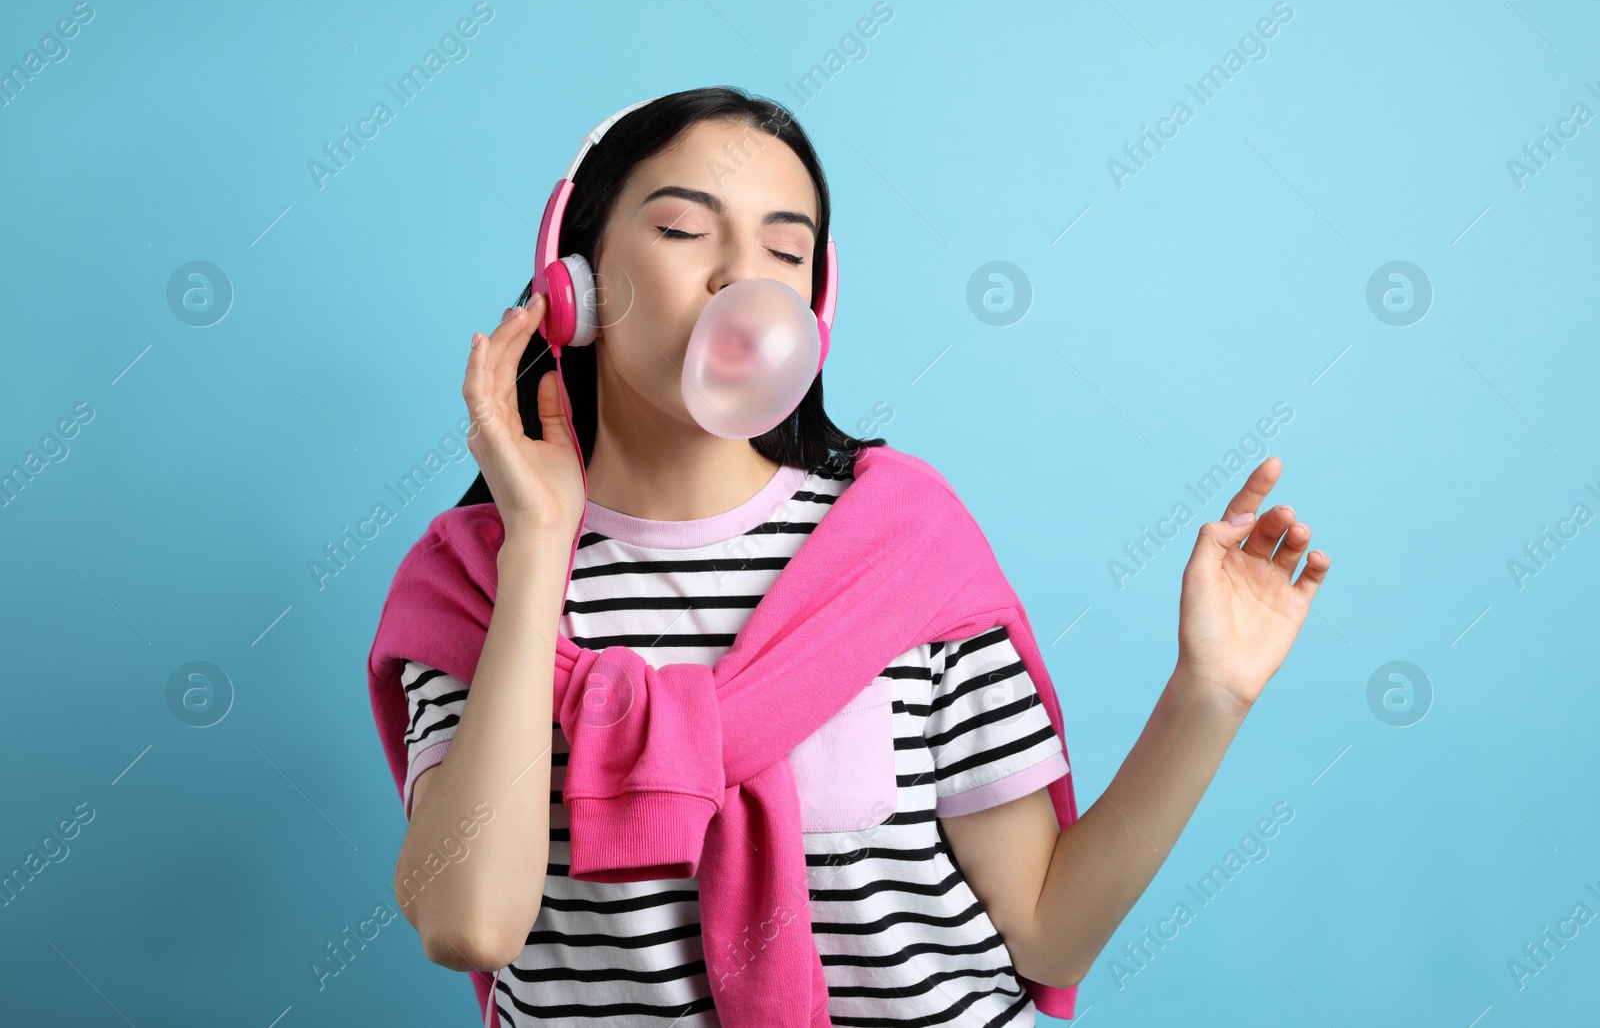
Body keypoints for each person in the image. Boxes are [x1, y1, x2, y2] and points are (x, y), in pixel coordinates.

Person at [387, 86, 1330, 1026]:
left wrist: (1210, 693)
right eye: (683, 229)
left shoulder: (902, 546)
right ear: (576, 277)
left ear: (815, 301)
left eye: (784, 251)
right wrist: (540, 545)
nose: (738, 279)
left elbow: (1049, 930)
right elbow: (470, 924)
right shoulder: (475, 581)